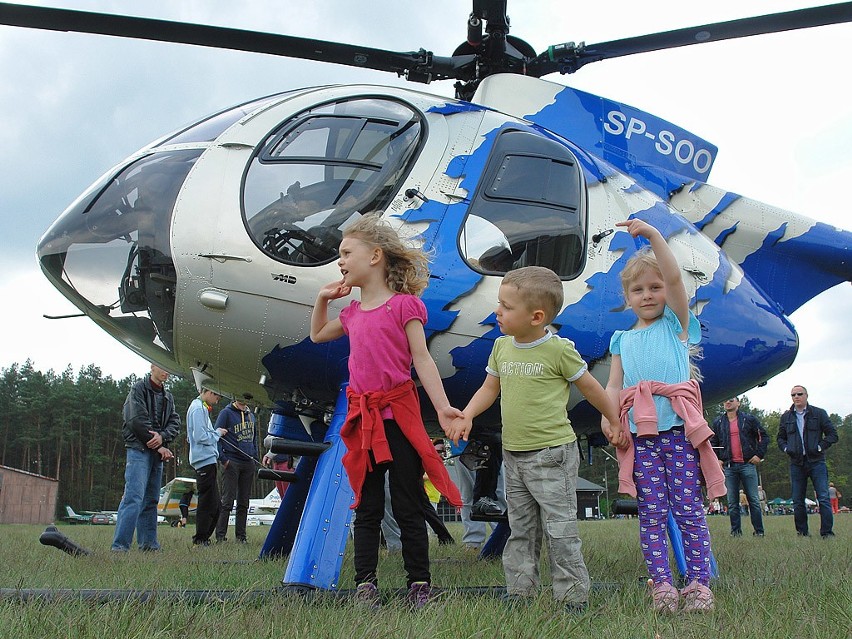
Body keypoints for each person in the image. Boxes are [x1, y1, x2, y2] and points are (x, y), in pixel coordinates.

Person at [448, 265, 624, 612]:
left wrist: (613, 417)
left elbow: (590, 388)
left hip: (552, 455)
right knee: (521, 529)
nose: (497, 311)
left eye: (506, 307)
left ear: (536, 316)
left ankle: (572, 597)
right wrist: (467, 414)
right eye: (499, 303)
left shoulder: (559, 351)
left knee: (560, 530)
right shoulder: (501, 347)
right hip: (513, 456)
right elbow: (489, 388)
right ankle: (520, 592)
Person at [310, 213, 463, 609]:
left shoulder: (404, 306)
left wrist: (443, 408)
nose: (340, 261)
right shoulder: (351, 314)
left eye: (346, 252)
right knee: (367, 504)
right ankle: (365, 585)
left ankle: (419, 584)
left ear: (375, 256)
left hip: (398, 416)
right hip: (363, 419)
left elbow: (423, 360)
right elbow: (316, 334)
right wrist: (323, 299)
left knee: (409, 501)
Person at [602, 219, 726, 614]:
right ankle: (662, 585)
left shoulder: (677, 324)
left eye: (654, 288)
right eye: (638, 289)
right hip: (642, 436)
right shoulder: (622, 338)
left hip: (678, 432)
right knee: (652, 511)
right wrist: (610, 419)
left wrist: (654, 237)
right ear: (627, 296)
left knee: (688, 506)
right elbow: (613, 384)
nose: (649, 295)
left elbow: (674, 279)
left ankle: (698, 584)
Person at [111, 364, 180, 552]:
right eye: (163, 367)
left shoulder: (168, 397)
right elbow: (135, 419)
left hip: (155, 454)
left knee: (151, 500)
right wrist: (159, 444)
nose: (167, 371)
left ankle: (149, 545)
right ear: (152, 367)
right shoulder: (138, 389)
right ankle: (120, 547)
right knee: (133, 497)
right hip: (138, 450)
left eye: (169, 368)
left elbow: (175, 422)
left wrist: (163, 437)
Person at [777, 385, 839, 538]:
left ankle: (827, 533)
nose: (796, 397)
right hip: (796, 462)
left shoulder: (818, 414)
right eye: (793, 395)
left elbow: (832, 435)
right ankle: (802, 533)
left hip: (817, 461)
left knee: (823, 498)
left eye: (799, 394)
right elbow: (780, 438)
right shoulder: (786, 417)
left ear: (806, 395)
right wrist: (786, 449)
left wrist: (819, 447)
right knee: (798, 500)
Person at [710, 396, 768, 537]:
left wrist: (759, 455)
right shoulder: (718, 422)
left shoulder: (749, 419)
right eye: (725, 400)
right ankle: (736, 532)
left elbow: (764, 436)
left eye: (731, 399)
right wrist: (717, 459)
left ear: (738, 403)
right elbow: (713, 441)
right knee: (732, 502)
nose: (728, 402)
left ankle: (759, 532)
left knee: (753, 500)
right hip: (729, 466)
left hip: (747, 464)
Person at [215, 397, 260, 544]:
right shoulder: (226, 413)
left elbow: (254, 437)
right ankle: (220, 537)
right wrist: (223, 459)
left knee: (243, 502)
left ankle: (241, 537)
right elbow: (216, 436)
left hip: (248, 462)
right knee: (227, 501)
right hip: (231, 461)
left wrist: (254, 455)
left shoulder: (251, 415)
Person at [186, 386, 227, 546]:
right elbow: (199, 436)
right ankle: (200, 538)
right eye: (216, 398)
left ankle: (205, 537)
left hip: (208, 459)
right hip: (203, 460)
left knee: (215, 504)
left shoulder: (201, 408)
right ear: (209, 392)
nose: (216, 402)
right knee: (207, 502)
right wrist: (217, 433)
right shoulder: (197, 409)